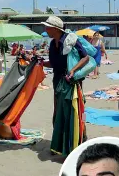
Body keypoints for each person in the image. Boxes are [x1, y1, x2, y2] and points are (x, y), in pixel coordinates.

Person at [42, 16, 89, 156]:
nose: (46, 29)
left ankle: (81, 140)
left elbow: (85, 57)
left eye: (47, 27)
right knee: (57, 112)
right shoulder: (51, 44)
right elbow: (53, 64)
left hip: (72, 81)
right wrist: (38, 62)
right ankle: (58, 144)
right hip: (58, 81)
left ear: (55, 29)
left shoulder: (71, 40)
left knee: (74, 112)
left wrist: (73, 70)